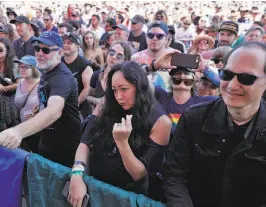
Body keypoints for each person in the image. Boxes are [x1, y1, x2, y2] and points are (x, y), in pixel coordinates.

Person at [164, 41, 266, 207]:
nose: (232, 85)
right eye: (226, 75)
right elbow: (175, 175)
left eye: (246, 78)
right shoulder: (193, 118)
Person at [68, 61, 172, 205]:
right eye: (114, 90)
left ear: (139, 87)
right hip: (95, 185)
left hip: (128, 196)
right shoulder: (106, 104)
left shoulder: (160, 121)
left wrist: (122, 143)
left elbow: (140, 174)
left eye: (124, 89)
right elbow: (85, 143)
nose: (119, 97)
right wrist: (77, 174)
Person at [0, 31, 81, 168]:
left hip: (63, 145)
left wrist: (18, 131)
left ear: (60, 53)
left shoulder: (61, 77)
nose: (39, 53)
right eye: (37, 48)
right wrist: (40, 108)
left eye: (45, 50)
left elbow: (54, 110)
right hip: (47, 137)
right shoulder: (47, 70)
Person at [87, 41, 132, 107]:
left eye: (119, 56)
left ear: (125, 60)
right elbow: (88, 97)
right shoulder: (96, 75)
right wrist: (98, 101)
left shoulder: (127, 80)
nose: (114, 57)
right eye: (112, 53)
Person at [61, 32, 93, 119]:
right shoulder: (58, 62)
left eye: (69, 43)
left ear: (78, 46)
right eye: (64, 43)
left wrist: (75, 103)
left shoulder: (84, 64)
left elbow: (87, 88)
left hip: (78, 110)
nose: (65, 45)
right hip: (59, 106)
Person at [0, 37, 19, 130]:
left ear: (7, 50)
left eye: (0, 49)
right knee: (5, 124)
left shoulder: (14, 63)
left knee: (14, 125)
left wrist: (3, 88)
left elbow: (20, 84)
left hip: (13, 101)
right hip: (1, 100)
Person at [14, 55, 40, 153]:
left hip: (38, 128)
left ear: (34, 68)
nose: (22, 69)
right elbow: (18, 103)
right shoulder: (20, 82)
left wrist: (37, 113)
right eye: (20, 66)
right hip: (24, 125)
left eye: (26, 67)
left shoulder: (42, 84)